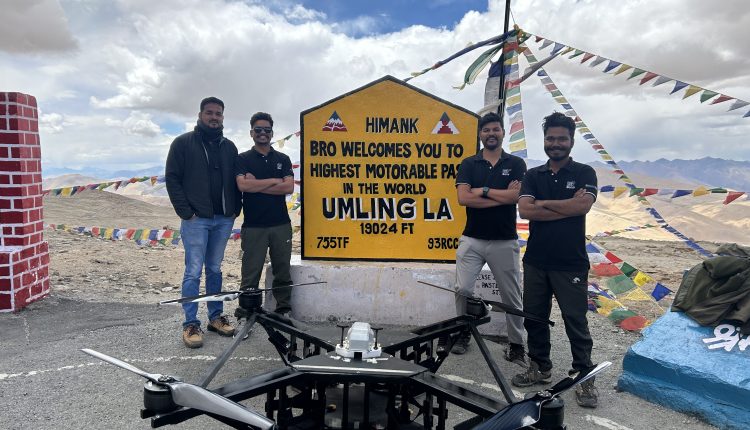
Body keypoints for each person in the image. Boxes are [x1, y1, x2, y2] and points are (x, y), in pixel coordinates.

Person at [511, 112, 599, 408]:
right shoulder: (533, 175)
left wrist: (544, 203)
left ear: (571, 141)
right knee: (534, 317)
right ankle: (540, 367)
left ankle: (584, 375)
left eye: (562, 138)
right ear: (544, 140)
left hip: (570, 262)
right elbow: (525, 211)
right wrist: (566, 205)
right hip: (536, 260)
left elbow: (582, 207)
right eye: (551, 138)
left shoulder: (585, 172)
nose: (556, 143)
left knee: (576, 321)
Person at [165, 96, 241, 348]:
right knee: (193, 271)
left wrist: (235, 209)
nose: (214, 117)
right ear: (200, 115)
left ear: (223, 117)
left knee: (215, 269)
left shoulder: (229, 147)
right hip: (196, 220)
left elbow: (236, 180)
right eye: (209, 113)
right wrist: (186, 213)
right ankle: (190, 323)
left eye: (218, 113)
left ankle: (215, 317)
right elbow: (172, 178)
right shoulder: (183, 143)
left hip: (223, 219)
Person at [451, 112, 527, 361]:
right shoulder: (469, 164)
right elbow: (463, 198)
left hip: (504, 240)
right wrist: (501, 196)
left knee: (511, 295)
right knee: (462, 288)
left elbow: (516, 197)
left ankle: (516, 344)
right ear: (480, 134)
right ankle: (463, 331)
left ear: (503, 132)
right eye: (486, 130)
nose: (491, 134)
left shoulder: (516, 164)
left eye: (495, 129)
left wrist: (482, 191)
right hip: (472, 238)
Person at [235, 112, 295, 316]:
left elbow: (288, 188)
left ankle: (283, 310)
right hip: (254, 226)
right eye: (258, 129)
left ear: (272, 133)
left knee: (282, 270)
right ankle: (247, 311)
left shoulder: (283, 159)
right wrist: (274, 181)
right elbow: (243, 186)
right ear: (251, 133)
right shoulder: (242, 159)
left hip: (281, 224)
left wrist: (256, 184)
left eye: (267, 130)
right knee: (250, 273)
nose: (263, 133)